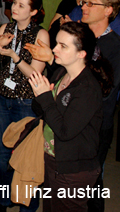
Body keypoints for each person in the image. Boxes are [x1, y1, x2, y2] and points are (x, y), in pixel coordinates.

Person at [28, 22, 106, 212]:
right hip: (53, 160)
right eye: (56, 43)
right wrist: (42, 95)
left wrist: (46, 97)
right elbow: (39, 109)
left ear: (81, 53)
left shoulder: (87, 89)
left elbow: (65, 131)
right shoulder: (62, 73)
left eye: (63, 46)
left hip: (73, 169)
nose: (54, 49)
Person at [0, 0, 49, 212]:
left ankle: (27, 206)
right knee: (2, 154)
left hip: (26, 101)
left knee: (26, 158)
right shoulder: (6, 28)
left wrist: (16, 57)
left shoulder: (41, 35)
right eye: (15, 3)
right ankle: (4, 201)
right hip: (2, 99)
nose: (15, 8)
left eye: (22, 6)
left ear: (33, 11)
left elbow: (35, 74)